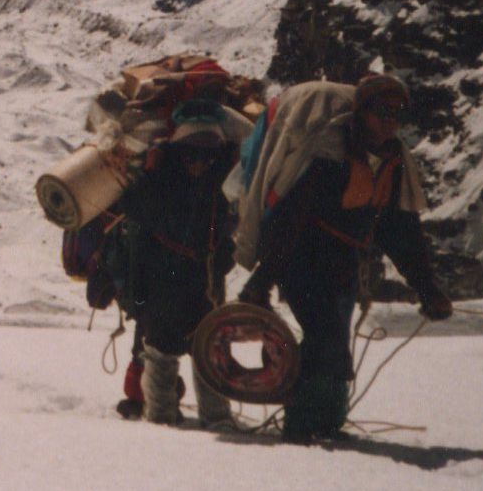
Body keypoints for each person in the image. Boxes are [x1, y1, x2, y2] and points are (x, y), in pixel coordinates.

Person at [234, 73, 453, 443]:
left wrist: (426, 287)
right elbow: (291, 218)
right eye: (382, 112)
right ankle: (304, 427)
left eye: (397, 114)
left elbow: (400, 230)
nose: (390, 121)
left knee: (334, 343)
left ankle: (325, 424)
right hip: (302, 259)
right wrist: (262, 279)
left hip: (343, 264)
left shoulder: (391, 161)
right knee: (326, 339)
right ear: (362, 113)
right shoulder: (329, 157)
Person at [99, 97, 240, 428]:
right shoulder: (158, 177)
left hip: (202, 273)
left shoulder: (220, 177)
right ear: (180, 150)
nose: (200, 162)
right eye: (192, 154)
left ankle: (214, 417)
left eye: (207, 155)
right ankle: (160, 416)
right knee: (162, 347)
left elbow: (227, 223)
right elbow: (132, 207)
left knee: (208, 346)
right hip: (163, 273)